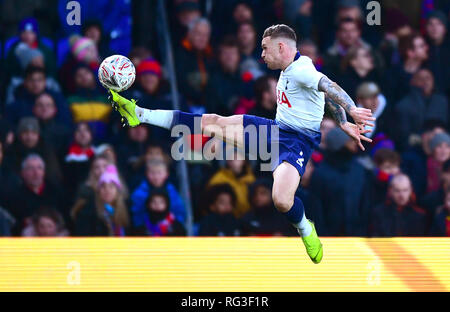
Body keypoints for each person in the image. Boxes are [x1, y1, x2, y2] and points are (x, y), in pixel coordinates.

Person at [109, 24, 375, 263]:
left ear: (280, 46)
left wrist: (351, 110)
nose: (261, 54)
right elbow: (323, 94)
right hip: (275, 131)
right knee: (213, 122)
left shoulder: (301, 70)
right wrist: (341, 120)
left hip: (297, 143)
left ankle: (306, 228)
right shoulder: (297, 66)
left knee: (282, 201)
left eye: (264, 48)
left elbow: (330, 86)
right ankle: (139, 114)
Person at [72, 164, 129, 236]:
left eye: (111, 186)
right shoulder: (87, 212)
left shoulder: (128, 209)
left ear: (117, 191)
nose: (107, 190)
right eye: (103, 186)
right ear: (98, 192)